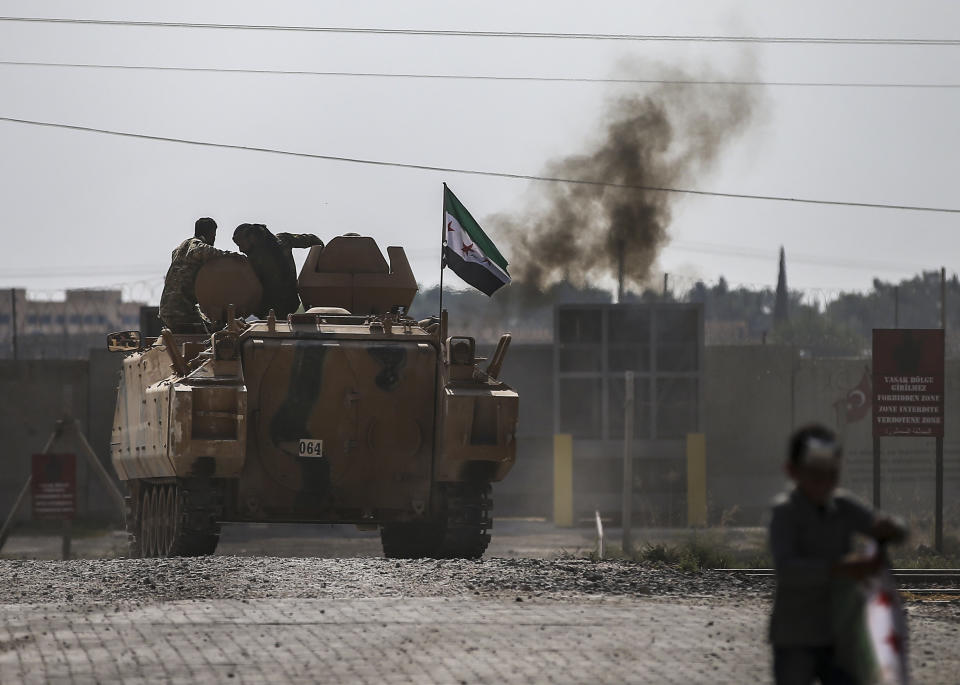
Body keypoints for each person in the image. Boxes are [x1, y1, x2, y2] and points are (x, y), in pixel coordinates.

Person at [769, 424, 907, 685]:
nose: (824, 483)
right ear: (792, 471)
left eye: (831, 475)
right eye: (815, 475)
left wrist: (892, 527)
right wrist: (840, 569)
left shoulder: (843, 506)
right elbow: (787, 570)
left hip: (839, 636)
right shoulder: (785, 512)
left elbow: (889, 528)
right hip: (795, 636)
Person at [159, 217, 237, 333]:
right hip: (181, 310)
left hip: (167, 309)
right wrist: (235, 257)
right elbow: (207, 252)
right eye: (214, 235)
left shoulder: (180, 248)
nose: (214, 239)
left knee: (207, 327)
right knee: (208, 340)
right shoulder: (196, 246)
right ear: (209, 233)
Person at [232, 223, 324, 318]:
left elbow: (313, 241)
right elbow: (314, 240)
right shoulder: (283, 240)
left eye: (241, 244)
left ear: (252, 237)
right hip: (287, 307)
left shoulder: (254, 260)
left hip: (276, 310)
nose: (240, 249)